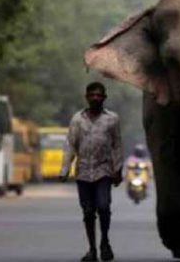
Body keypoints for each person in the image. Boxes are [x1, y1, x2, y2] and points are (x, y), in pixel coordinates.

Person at [60, 82, 124, 262]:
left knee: (103, 207)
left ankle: (105, 241)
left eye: (99, 95)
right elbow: (70, 145)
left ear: (104, 97)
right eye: (92, 95)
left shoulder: (112, 119)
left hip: (104, 170)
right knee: (88, 211)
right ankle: (92, 249)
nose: (95, 98)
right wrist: (65, 169)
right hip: (83, 172)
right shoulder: (77, 119)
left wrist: (118, 169)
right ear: (86, 97)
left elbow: (117, 145)